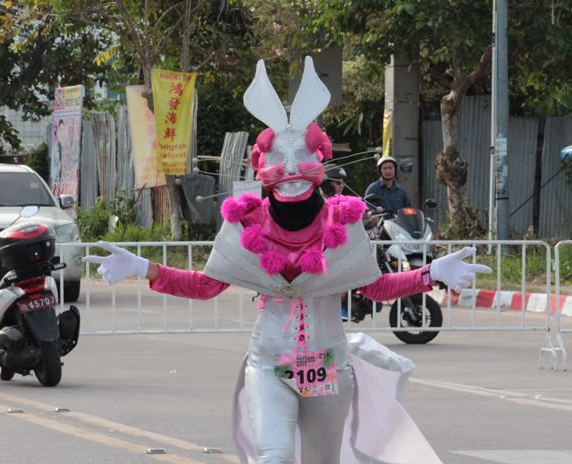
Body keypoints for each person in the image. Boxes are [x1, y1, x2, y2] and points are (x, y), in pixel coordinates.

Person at [85, 57, 492, 464]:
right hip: (269, 365)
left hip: (329, 368)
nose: (292, 167)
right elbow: (206, 285)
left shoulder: (343, 222)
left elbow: (374, 287)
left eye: (301, 155)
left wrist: (430, 273)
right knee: (274, 457)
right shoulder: (246, 224)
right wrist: (144, 268)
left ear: (319, 160)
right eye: (281, 157)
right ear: (263, 166)